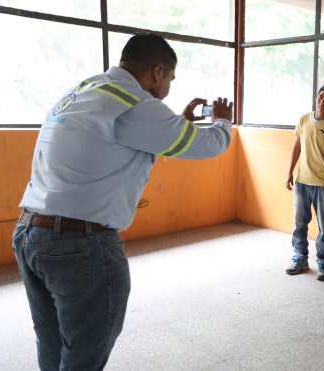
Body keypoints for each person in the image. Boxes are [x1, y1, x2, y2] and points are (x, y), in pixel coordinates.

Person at [12, 33, 234, 370]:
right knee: (84, 353)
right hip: (80, 245)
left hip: (31, 234)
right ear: (157, 71)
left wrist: (179, 121)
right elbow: (210, 145)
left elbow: (126, 138)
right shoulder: (135, 103)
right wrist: (222, 120)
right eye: (171, 78)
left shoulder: (84, 90)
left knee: (53, 341)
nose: (169, 87)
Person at [285, 84, 324, 281]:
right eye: (320, 97)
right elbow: (296, 147)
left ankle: (323, 263)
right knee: (300, 222)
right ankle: (300, 258)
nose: (322, 101)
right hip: (302, 180)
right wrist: (289, 172)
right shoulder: (304, 119)